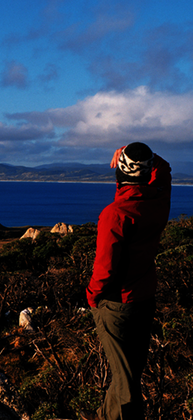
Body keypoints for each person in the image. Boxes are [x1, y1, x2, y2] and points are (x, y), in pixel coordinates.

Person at [83, 142, 171, 420]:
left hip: (117, 304)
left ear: (119, 172)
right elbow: (164, 170)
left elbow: (105, 270)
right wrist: (142, 156)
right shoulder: (158, 198)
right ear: (146, 173)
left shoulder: (115, 214)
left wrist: (92, 296)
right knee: (129, 370)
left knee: (125, 381)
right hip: (145, 297)